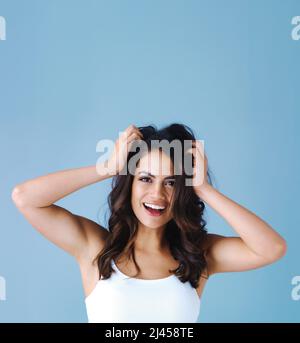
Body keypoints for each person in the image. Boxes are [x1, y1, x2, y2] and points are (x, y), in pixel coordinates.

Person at [11, 123, 287, 323]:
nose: (157, 195)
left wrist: (204, 189)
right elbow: (25, 197)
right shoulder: (95, 247)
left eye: (171, 183)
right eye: (145, 178)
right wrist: (105, 168)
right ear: (129, 183)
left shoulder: (199, 255)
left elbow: (271, 248)